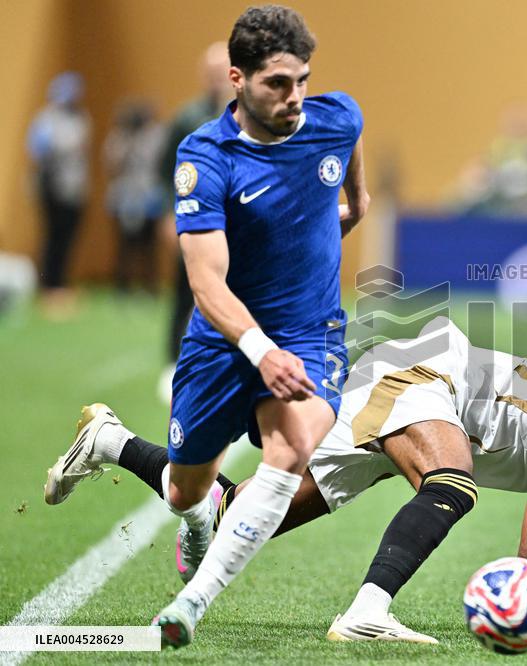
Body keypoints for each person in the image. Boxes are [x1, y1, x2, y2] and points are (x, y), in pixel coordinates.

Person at [45, 317, 527, 644]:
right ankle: (367, 612)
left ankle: (108, 441)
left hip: (418, 396)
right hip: (426, 377)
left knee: (239, 517)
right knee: (452, 484)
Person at [44, 5, 368, 648]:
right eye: (278, 83)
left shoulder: (336, 117)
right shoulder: (206, 156)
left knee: (292, 448)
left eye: (302, 80)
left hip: (311, 335)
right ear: (237, 79)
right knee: (185, 490)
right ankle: (113, 445)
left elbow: (350, 156)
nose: (295, 96)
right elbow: (206, 284)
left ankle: (189, 605)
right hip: (223, 343)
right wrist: (261, 350)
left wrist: (353, 206)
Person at [157, 41, 233, 403]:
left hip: (234, 224)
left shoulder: (246, 117)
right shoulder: (187, 118)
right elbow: (164, 171)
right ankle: (173, 362)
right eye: (212, 72)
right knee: (184, 290)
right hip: (193, 220)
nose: (218, 79)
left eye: (223, 72)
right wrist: (167, 214)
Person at [26, 71, 91, 318]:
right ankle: (49, 286)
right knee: (53, 237)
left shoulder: (80, 118)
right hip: (53, 188)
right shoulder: (46, 119)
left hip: (74, 189)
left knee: (68, 238)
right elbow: (39, 151)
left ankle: (61, 284)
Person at [103, 100, 166, 293]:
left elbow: (162, 163)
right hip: (124, 195)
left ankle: (149, 284)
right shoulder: (119, 136)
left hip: (149, 195)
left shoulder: (157, 135)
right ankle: (122, 284)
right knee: (125, 243)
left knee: (149, 244)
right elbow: (111, 164)